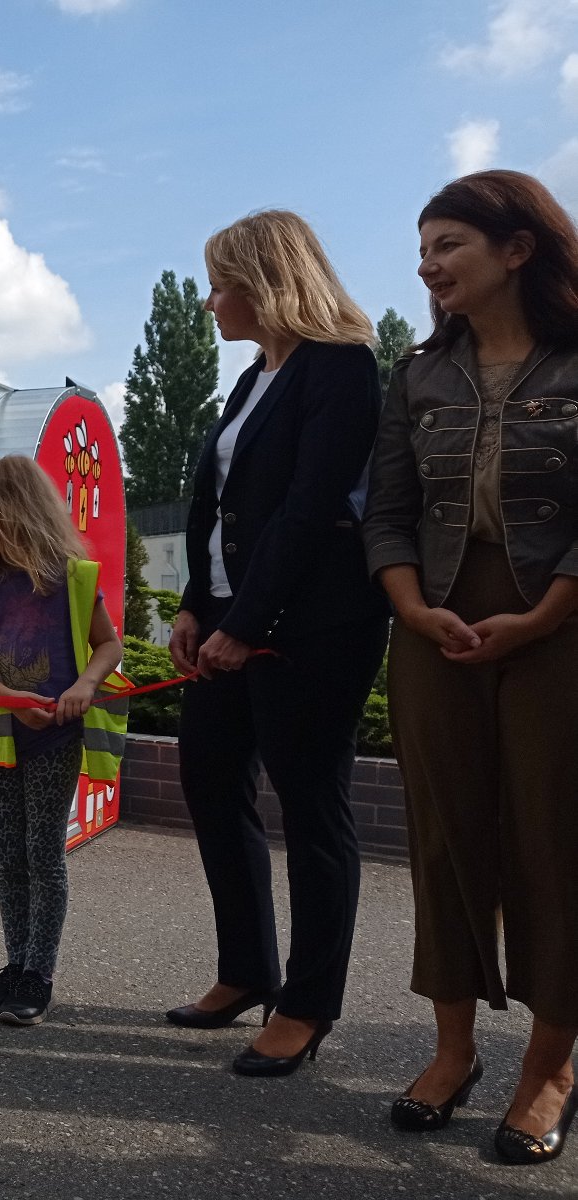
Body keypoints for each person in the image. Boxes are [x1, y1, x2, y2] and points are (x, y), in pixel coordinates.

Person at [364, 170, 578, 1165]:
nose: (425, 265)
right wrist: (407, 604)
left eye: (446, 244)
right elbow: (387, 510)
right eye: (422, 247)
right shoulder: (414, 376)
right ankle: (451, 1052)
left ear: (516, 249)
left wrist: (543, 613)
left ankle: (547, 1069)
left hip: (561, 622)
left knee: (553, 838)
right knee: (442, 836)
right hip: (431, 621)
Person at [165, 211, 390, 1076]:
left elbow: (307, 512)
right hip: (226, 616)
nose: (212, 299)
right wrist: (194, 606)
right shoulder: (255, 376)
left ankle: (306, 1004)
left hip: (312, 630)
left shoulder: (342, 368)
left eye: (221, 281)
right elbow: (216, 509)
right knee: (210, 786)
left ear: (268, 280)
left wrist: (244, 625)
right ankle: (245, 971)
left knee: (312, 808)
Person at [0, 456, 124, 1027]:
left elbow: (108, 646)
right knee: (9, 855)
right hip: (1, 736)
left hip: (55, 740)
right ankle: (15, 961)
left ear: (9, 514)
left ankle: (37, 973)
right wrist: (10, 697)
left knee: (42, 854)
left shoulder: (73, 576)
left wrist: (84, 685)